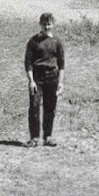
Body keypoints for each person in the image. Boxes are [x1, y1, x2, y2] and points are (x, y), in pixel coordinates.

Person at [24, 12, 65, 147]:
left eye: (49, 24)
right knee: (34, 107)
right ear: (40, 25)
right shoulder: (33, 41)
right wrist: (31, 81)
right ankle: (34, 138)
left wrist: (60, 82)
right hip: (37, 79)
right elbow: (28, 63)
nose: (47, 27)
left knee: (50, 108)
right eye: (44, 24)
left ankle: (48, 136)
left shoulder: (57, 42)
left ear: (53, 24)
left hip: (52, 79)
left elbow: (61, 64)